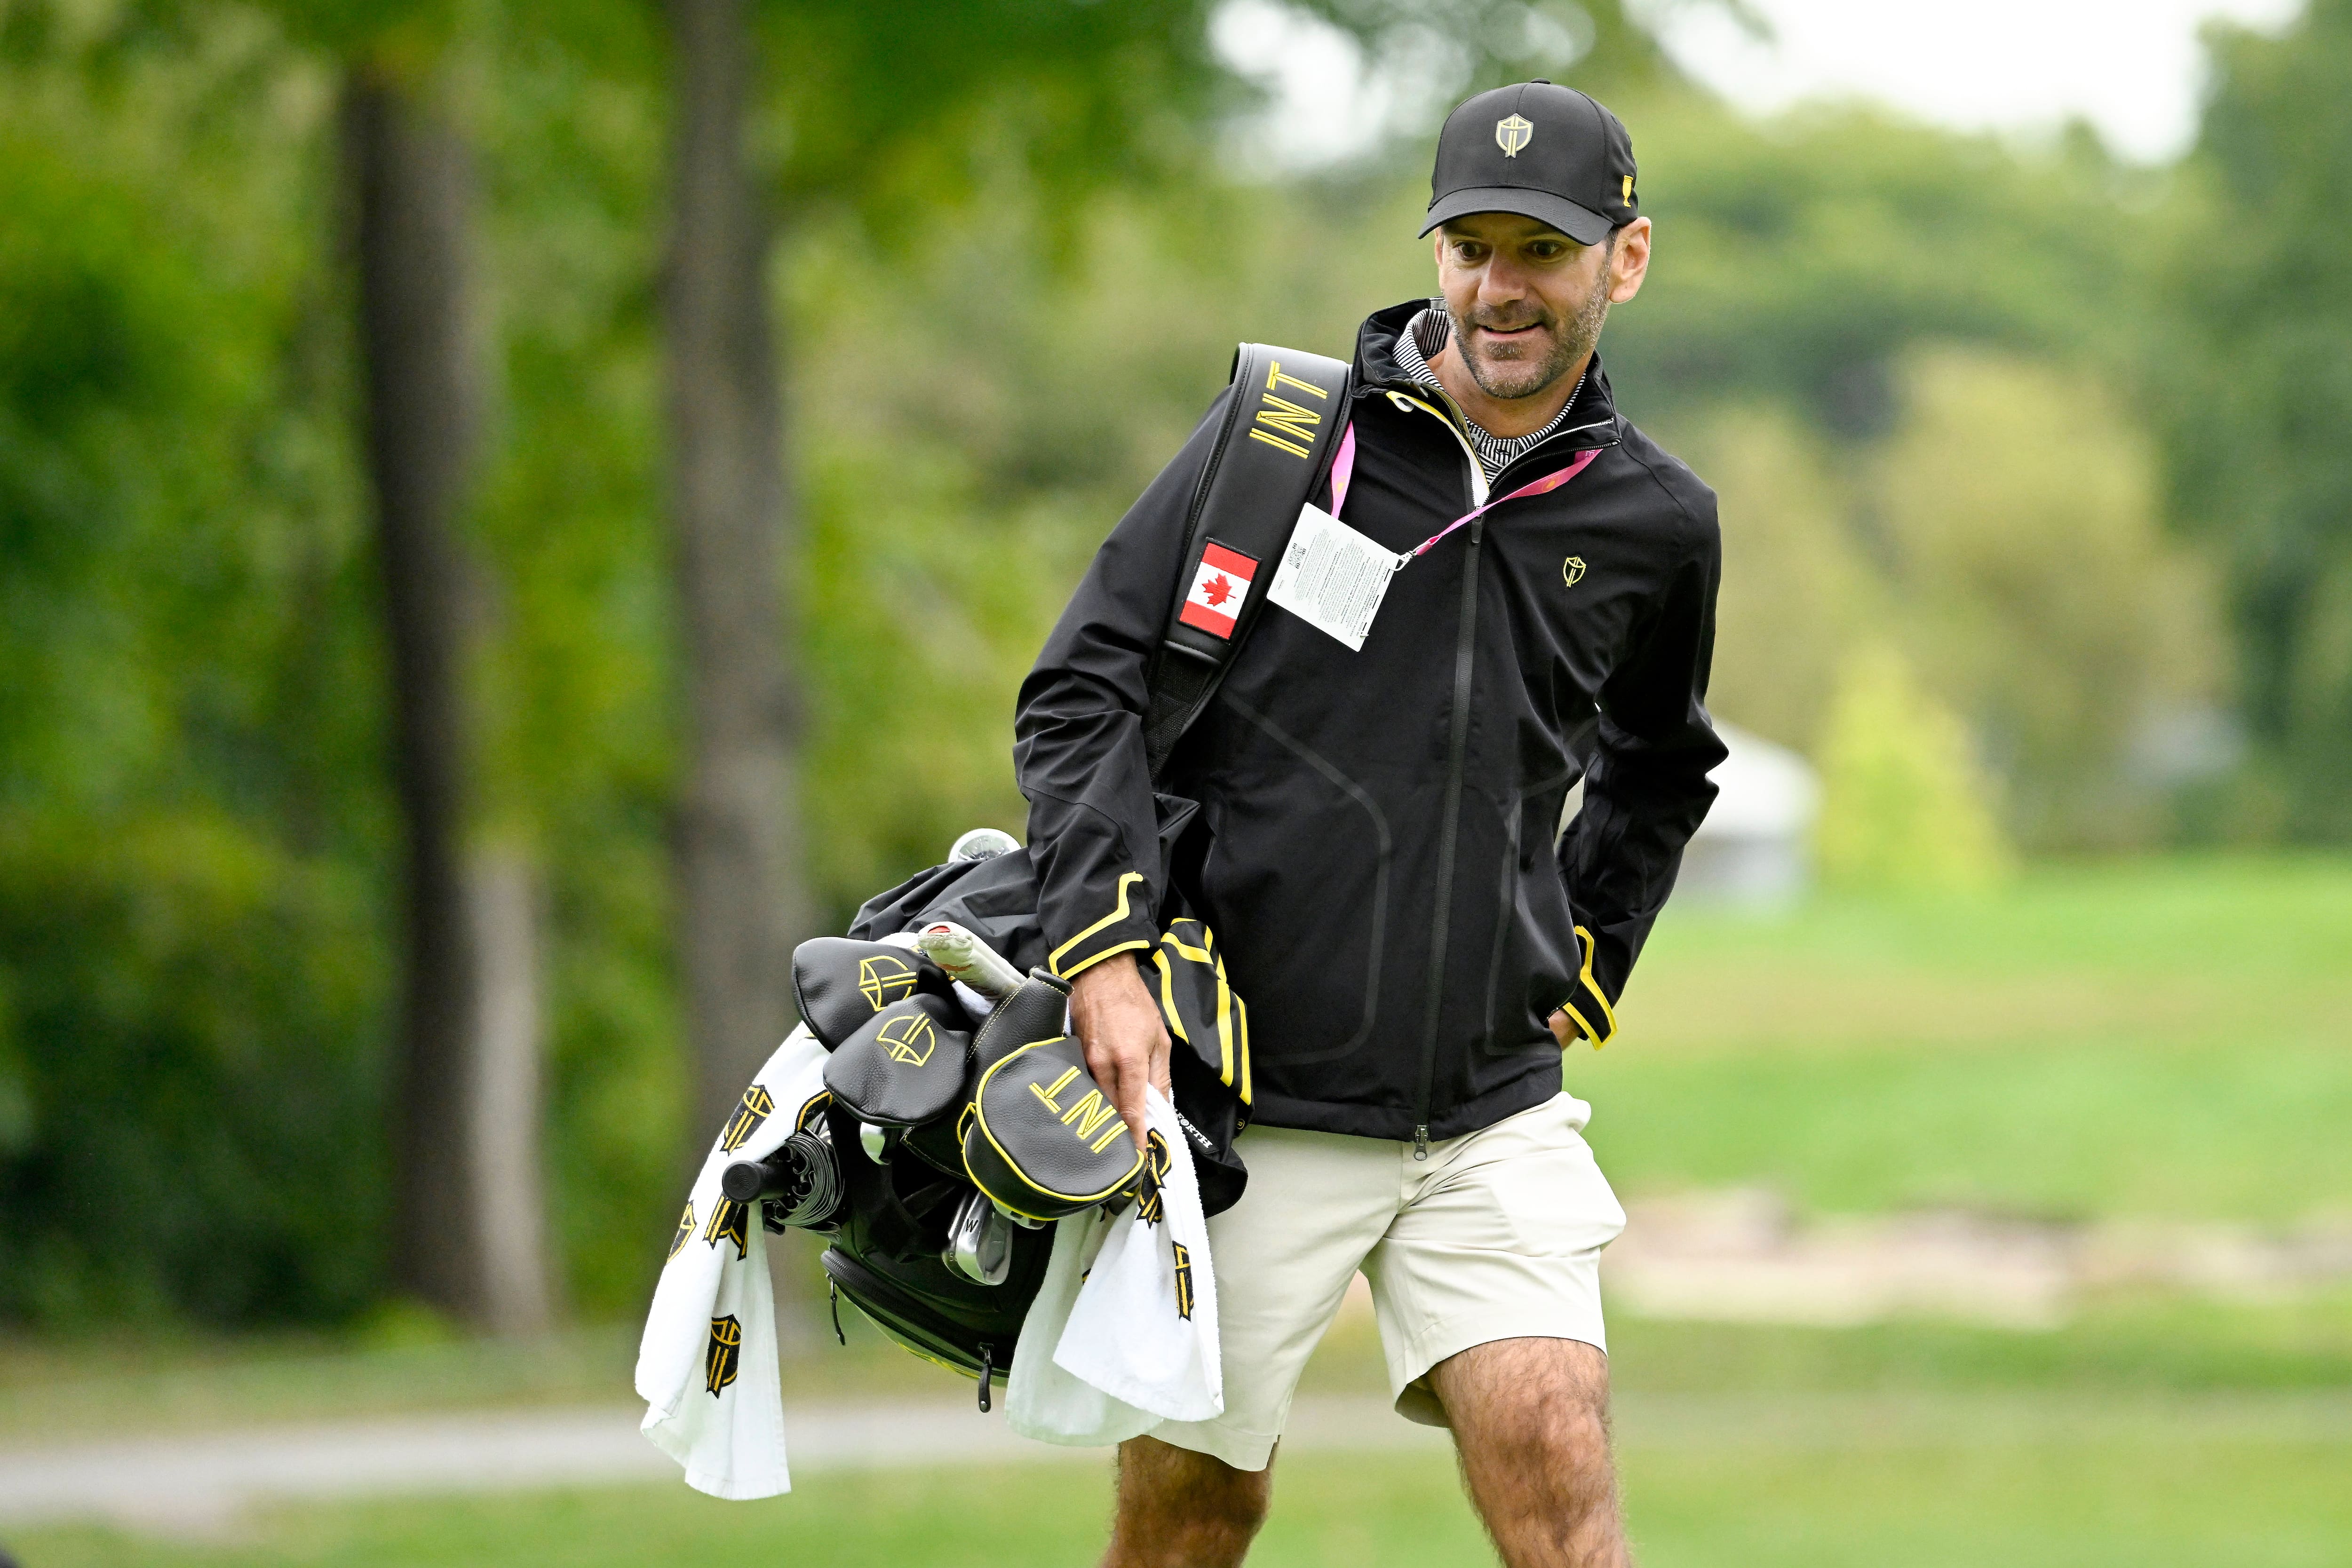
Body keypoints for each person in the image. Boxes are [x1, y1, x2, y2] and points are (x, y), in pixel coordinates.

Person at [1013, 79, 1725, 1568]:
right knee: (1197, 1516)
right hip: (1252, 1103)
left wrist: (1583, 956)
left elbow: (1662, 765)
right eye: (1470, 244)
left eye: (1540, 249)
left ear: (1626, 260)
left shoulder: (1655, 521)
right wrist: (1104, 957)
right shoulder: (1281, 437)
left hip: (1489, 1113)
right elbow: (1081, 691)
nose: (1498, 287)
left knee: (1560, 1465)